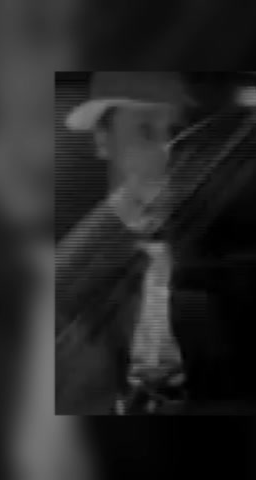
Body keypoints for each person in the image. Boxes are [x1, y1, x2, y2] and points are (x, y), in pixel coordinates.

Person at [57, 71, 195, 414]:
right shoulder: (82, 248)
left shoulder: (198, 230)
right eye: (146, 131)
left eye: (174, 133)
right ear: (103, 140)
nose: (166, 152)